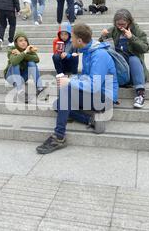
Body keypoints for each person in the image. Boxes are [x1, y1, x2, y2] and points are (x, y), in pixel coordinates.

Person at [36, 23, 118, 154]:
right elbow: (86, 78)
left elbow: (94, 85)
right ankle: (90, 120)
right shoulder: (87, 52)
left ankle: (59, 137)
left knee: (66, 91)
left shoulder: (99, 55)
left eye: (72, 38)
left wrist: (69, 82)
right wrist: (71, 80)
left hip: (105, 98)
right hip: (94, 94)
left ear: (79, 40)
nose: (71, 40)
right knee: (58, 104)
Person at [100, 9, 149, 109]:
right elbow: (100, 47)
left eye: (123, 24)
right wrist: (103, 37)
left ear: (129, 22)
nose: (121, 27)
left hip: (133, 70)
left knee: (134, 59)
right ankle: (106, 94)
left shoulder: (137, 31)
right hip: (119, 68)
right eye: (118, 24)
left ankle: (140, 94)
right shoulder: (113, 31)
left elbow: (145, 48)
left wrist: (132, 38)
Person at [4, 31, 44, 103]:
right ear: (16, 42)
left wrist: (24, 52)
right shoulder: (12, 49)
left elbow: (37, 59)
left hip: (22, 77)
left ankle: (40, 89)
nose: (23, 42)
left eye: (25, 40)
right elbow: (14, 62)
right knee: (16, 64)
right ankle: (20, 92)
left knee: (32, 63)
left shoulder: (29, 49)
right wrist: (24, 52)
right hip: (11, 76)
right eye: (21, 40)